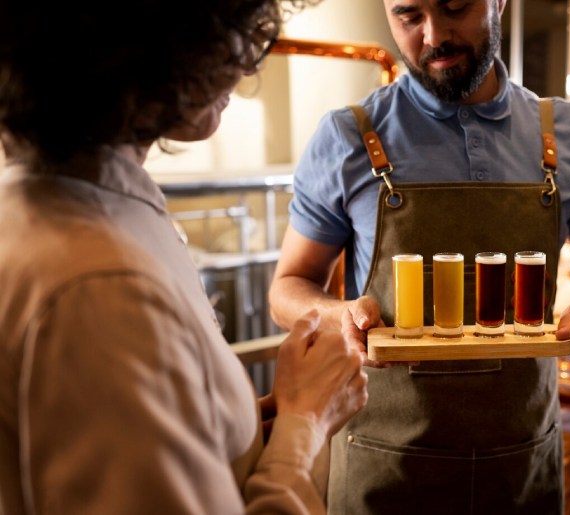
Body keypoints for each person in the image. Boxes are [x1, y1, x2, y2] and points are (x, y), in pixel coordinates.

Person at [268, 0, 570, 513]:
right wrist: (334, 314)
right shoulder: (347, 136)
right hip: (385, 471)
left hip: (521, 471)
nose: (434, 36)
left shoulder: (562, 132)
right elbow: (287, 288)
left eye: (455, 7)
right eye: (409, 17)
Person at [0, 0, 369, 513]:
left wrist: (264, 422)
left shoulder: (82, 211)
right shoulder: (102, 289)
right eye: (230, 27)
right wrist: (306, 427)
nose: (245, 63)